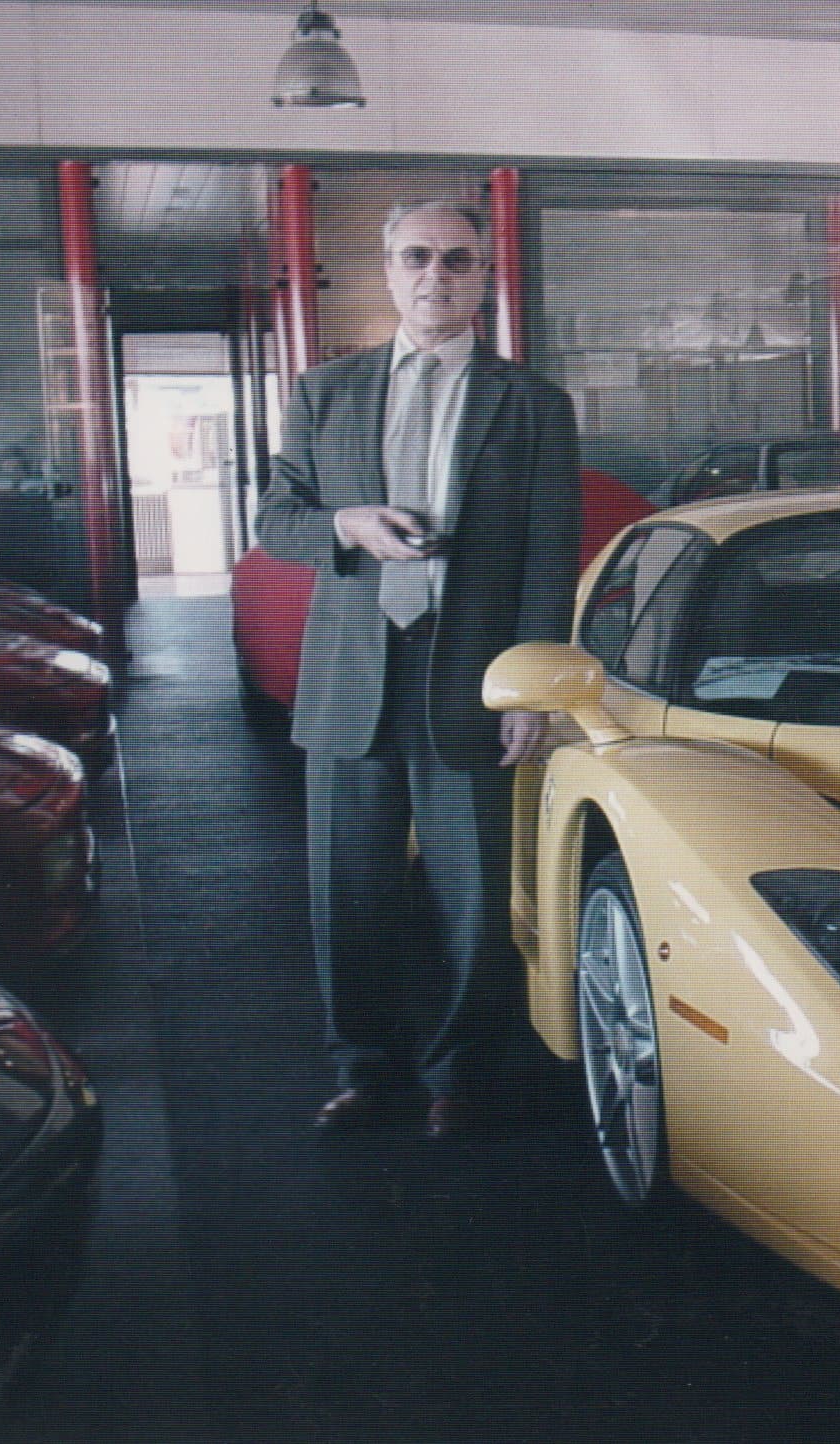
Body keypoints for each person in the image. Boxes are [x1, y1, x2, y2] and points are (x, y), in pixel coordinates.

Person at [259, 198, 579, 1140]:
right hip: (351, 683)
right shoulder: (324, 392)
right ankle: (363, 1068)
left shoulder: (532, 404)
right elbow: (273, 522)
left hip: (471, 685)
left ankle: (459, 1074)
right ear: (388, 270)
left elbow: (549, 555)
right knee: (345, 895)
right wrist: (346, 527)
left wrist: (531, 691)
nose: (435, 275)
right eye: (416, 257)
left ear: (483, 276)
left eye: (457, 259)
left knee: (476, 901)